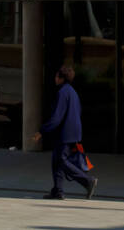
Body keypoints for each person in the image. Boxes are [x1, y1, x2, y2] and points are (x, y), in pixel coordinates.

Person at [30, 65, 97, 200]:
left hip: (65, 134)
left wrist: (42, 131)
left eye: (56, 76)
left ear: (61, 78)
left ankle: (88, 181)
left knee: (61, 161)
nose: (55, 78)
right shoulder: (72, 92)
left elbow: (56, 117)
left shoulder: (62, 93)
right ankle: (57, 191)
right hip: (73, 132)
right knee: (56, 161)